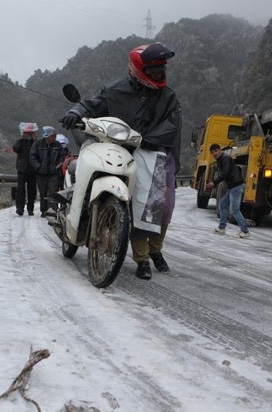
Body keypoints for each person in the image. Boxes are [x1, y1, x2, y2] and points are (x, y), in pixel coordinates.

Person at [60, 42, 182, 280]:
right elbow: (92, 103)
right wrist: (76, 111)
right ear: (138, 70)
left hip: (155, 153)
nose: (159, 75)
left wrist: (146, 140)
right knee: (137, 205)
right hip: (119, 149)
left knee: (162, 207)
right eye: (153, 71)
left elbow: (172, 125)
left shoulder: (169, 97)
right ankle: (142, 259)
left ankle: (156, 250)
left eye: (161, 71)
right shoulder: (115, 90)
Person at [206, 143, 251, 238]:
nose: (215, 153)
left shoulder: (225, 158)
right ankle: (222, 227)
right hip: (232, 187)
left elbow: (225, 173)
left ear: (220, 150)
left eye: (216, 151)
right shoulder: (220, 159)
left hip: (236, 186)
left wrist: (214, 182)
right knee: (222, 205)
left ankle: (245, 231)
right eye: (212, 152)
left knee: (235, 210)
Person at [30, 126, 64, 217]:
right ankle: (44, 211)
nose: (54, 138)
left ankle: (53, 211)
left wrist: (57, 167)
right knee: (43, 193)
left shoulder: (57, 145)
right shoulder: (38, 145)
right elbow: (32, 157)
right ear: (47, 136)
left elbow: (62, 157)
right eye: (53, 136)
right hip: (41, 174)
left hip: (53, 174)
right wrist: (38, 167)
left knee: (53, 193)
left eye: (55, 136)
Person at [12, 122, 38, 216]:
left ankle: (30, 209)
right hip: (22, 170)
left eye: (30, 133)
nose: (28, 135)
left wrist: (35, 140)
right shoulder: (20, 142)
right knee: (20, 189)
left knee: (32, 190)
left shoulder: (35, 143)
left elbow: (38, 153)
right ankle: (20, 208)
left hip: (32, 170)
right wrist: (22, 139)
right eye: (27, 132)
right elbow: (15, 148)